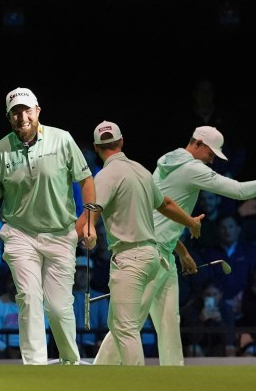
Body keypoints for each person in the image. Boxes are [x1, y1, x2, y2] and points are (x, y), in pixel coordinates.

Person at [93, 125, 256, 366]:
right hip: (150, 254)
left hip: (163, 252)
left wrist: (181, 250)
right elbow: (239, 191)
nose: (211, 161)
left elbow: (160, 217)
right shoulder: (192, 169)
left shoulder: (168, 163)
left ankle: (174, 377)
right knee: (128, 324)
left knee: (169, 321)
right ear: (197, 144)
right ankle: (99, 372)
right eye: (210, 154)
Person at [0, 86, 97, 365]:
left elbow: (86, 180)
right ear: (9, 118)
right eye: (15, 112)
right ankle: (36, 366)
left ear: (38, 111)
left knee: (57, 307)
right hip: (20, 235)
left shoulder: (62, 139)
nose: (22, 117)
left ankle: (70, 361)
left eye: (27, 110)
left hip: (60, 234)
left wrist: (88, 221)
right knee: (28, 298)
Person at [80, 120, 204, 366]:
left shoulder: (105, 175)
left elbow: (91, 213)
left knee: (126, 328)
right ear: (122, 142)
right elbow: (166, 204)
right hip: (152, 257)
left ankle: (137, 386)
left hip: (130, 259)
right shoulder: (141, 171)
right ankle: (100, 379)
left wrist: (87, 231)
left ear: (96, 148)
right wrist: (190, 222)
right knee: (119, 325)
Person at [180, 279, 236, 357]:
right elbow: (191, 340)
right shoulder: (192, 309)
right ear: (202, 296)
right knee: (193, 348)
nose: (211, 298)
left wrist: (220, 321)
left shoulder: (226, 310)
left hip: (217, 348)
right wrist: (201, 321)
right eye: (208, 295)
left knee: (229, 349)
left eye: (215, 294)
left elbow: (230, 340)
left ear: (220, 295)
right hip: (199, 347)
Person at [72, 254, 109, 358]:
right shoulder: (64, 297)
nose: (83, 274)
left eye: (87, 271)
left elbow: (105, 326)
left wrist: (100, 342)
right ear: (73, 273)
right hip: (68, 345)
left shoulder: (100, 298)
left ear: (91, 275)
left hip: (93, 348)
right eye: (80, 271)